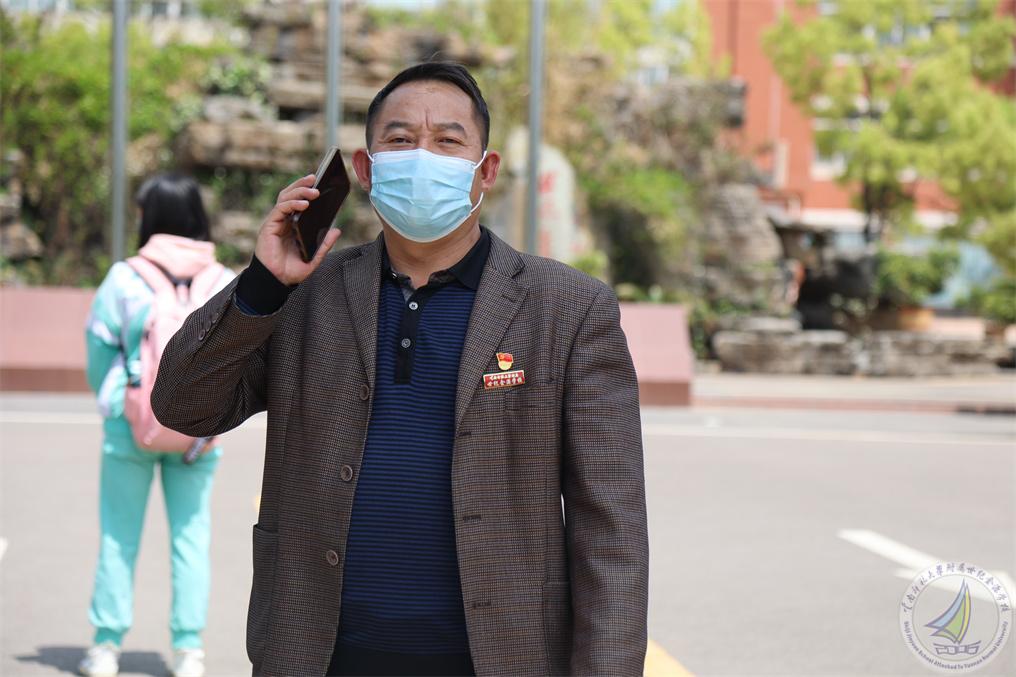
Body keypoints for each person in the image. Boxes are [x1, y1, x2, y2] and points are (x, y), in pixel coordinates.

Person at [152, 61, 649, 676]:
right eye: (400, 139)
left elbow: (611, 529)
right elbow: (183, 405)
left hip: (499, 658)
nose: (422, 158)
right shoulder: (306, 293)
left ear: (486, 170)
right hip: (319, 656)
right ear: (365, 169)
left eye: (448, 141)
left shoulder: (567, 308)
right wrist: (262, 283)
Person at [80, 174, 234, 677]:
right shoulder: (223, 280)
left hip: (132, 429)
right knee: (191, 539)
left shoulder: (125, 277)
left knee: (118, 536)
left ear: (150, 217)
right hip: (200, 435)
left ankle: (106, 646)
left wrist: (119, 406)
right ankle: (189, 651)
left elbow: (99, 353)